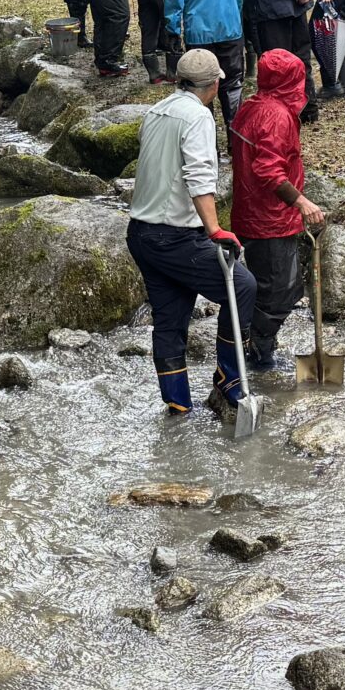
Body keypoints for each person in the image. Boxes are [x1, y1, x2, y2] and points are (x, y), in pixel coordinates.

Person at [125, 48, 258, 418]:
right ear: (215, 84)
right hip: (174, 235)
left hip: (141, 234)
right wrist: (215, 229)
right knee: (242, 286)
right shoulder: (198, 117)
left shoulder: (157, 110)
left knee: (170, 316)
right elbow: (198, 175)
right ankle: (230, 380)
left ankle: (177, 401)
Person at [230, 46, 325, 376]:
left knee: (267, 285)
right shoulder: (277, 116)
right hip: (269, 218)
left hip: (250, 211)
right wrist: (302, 202)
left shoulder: (251, 106)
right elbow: (269, 170)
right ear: (290, 82)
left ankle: (252, 346)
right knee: (280, 291)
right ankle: (257, 350)